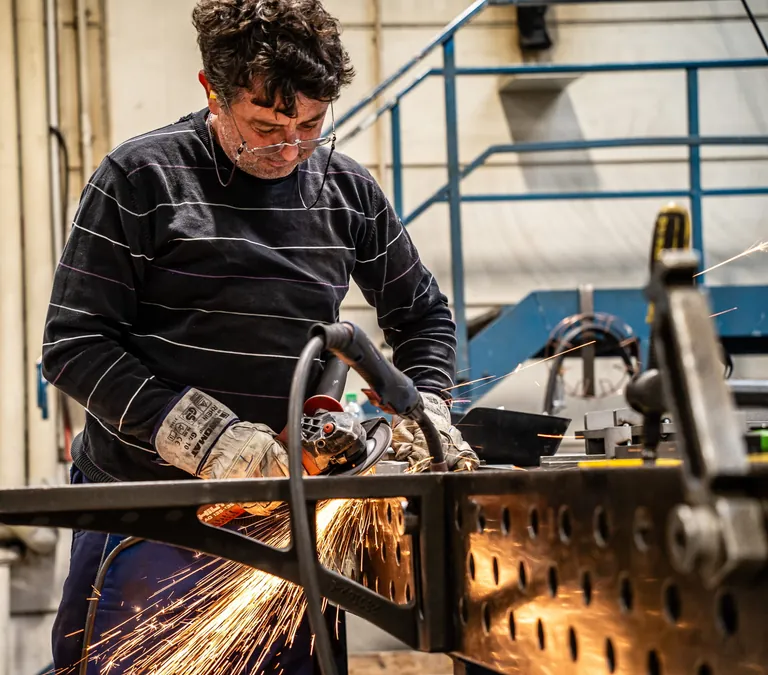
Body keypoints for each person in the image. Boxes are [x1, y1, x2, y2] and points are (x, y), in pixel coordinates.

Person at [42, 1, 478, 673]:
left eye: (311, 124)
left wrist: (427, 409)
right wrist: (206, 437)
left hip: (289, 515)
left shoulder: (347, 191)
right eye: (266, 126)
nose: (291, 148)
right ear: (211, 91)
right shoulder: (142, 178)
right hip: (149, 511)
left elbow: (423, 316)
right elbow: (74, 343)